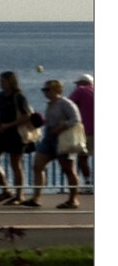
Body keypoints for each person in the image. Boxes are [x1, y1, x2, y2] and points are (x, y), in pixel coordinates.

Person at [35, 78, 85, 208]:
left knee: (68, 169)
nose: (45, 92)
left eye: (47, 89)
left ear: (56, 90)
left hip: (62, 139)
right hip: (49, 137)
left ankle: (73, 199)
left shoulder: (65, 103)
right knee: (37, 166)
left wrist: (62, 126)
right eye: (44, 90)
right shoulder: (49, 104)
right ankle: (36, 197)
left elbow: (76, 119)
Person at [0, 70, 34, 204]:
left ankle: (19, 195)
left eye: (3, 81)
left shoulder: (19, 96)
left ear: (11, 82)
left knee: (15, 164)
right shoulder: (0, 96)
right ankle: (5, 189)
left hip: (16, 134)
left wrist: (8, 125)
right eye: (0, 81)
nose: (1, 84)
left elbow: (26, 116)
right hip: (2, 133)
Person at [73, 75, 95, 190]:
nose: (76, 86)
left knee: (82, 158)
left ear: (83, 82)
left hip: (86, 131)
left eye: (78, 83)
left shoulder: (81, 90)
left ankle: (87, 183)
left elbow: (68, 104)